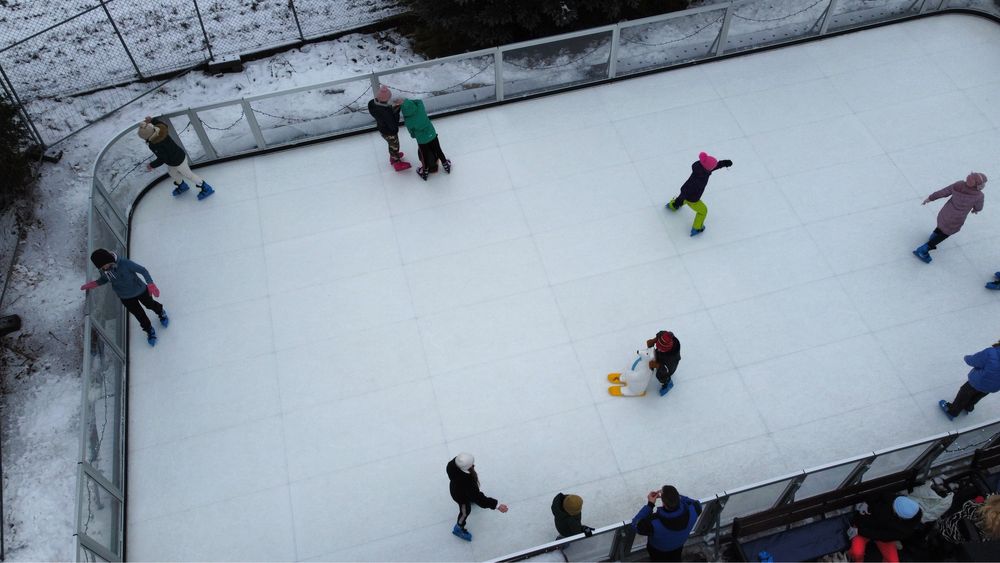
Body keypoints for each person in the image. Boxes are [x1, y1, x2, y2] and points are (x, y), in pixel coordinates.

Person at [80, 248, 167, 346]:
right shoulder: (104, 270)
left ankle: (161, 312)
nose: (105, 268)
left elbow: (143, 270)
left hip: (140, 290)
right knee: (139, 315)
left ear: (110, 260)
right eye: (102, 267)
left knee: (150, 305)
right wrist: (95, 284)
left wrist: (150, 284)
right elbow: (105, 279)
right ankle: (149, 329)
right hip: (125, 297)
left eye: (105, 265)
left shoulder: (124, 263)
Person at [912, 172, 987, 263]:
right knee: (946, 233)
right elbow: (979, 207)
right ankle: (924, 250)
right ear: (977, 186)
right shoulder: (979, 196)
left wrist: (930, 198)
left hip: (945, 212)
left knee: (942, 225)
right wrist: (976, 209)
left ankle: (934, 235)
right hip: (956, 220)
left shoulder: (958, 185)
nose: (984, 186)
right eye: (982, 184)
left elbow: (943, 192)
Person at [138, 115, 215, 200]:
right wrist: (152, 120)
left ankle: (206, 187)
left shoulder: (155, 144)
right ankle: (182, 186)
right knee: (172, 173)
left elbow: (162, 158)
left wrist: (152, 165)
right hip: (176, 157)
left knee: (189, 175)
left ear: (147, 137)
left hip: (178, 161)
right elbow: (161, 124)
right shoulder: (161, 130)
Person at [666, 151, 733, 237]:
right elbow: (687, 190)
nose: (714, 167)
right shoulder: (699, 178)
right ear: (708, 168)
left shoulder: (701, 167)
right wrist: (679, 200)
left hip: (686, 194)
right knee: (703, 211)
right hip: (692, 198)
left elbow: (714, 166)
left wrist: (724, 163)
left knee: (682, 200)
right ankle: (697, 227)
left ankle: (672, 205)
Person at [446, 453, 508, 541]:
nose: (474, 465)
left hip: (456, 488)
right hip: (460, 497)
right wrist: (497, 506)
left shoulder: (451, 465)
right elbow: (479, 499)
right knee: (465, 512)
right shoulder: (468, 482)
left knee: (471, 496)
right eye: (471, 465)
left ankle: (470, 499)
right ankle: (458, 528)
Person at [631, 485, 702, 562]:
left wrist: (650, 505)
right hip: (678, 545)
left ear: (664, 503)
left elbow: (636, 524)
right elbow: (695, 502)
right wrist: (674, 497)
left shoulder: (653, 523)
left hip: (658, 551)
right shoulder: (694, 510)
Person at [848, 494, 923, 562]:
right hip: (864, 525)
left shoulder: (904, 530)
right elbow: (878, 494)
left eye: (894, 506)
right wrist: (866, 502)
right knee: (857, 553)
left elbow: (881, 535)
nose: (892, 503)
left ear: (899, 517)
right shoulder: (898, 500)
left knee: (893, 561)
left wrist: (859, 531)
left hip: (870, 533)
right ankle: (857, 560)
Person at [939, 340, 1000, 420]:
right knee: (978, 395)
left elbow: (974, 361)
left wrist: (967, 358)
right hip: (994, 386)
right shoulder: (992, 353)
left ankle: (952, 411)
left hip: (978, 381)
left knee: (964, 393)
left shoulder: (991, 353)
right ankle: (968, 407)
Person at [400, 98, 450, 181]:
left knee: (425, 156)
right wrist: (406, 101)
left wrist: (414, 136)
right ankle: (446, 165)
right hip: (431, 134)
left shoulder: (408, 120)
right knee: (438, 150)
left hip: (421, 139)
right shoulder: (420, 108)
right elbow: (419, 101)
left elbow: (411, 131)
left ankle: (425, 172)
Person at [368, 85, 410, 171]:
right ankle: (396, 162)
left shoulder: (372, 103)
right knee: (394, 146)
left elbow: (386, 113)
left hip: (382, 129)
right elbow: (393, 123)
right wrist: (397, 109)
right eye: (388, 99)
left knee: (391, 145)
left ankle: (394, 156)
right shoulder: (386, 112)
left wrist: (392, 109)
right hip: (390, 132)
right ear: (385, 100)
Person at [934, 494, 1000, 544]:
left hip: (948, 525)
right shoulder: (995, 531)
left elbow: (967, 504)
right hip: (958, 536)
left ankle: (936, 528)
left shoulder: (976, 512)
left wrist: (983, 498)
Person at [645, 331, 681, 397]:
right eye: (658, 346)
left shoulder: (671, 358)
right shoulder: (664, 335)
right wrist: (654, 340)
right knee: (655, 353)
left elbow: (665, 369)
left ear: (667, 349)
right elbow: (660, 335)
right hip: (663, 356)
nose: (658, 348)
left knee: (660, 375)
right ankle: (655, 359)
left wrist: (656, 365)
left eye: (661, 349)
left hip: (668, 368)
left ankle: (667, 382)